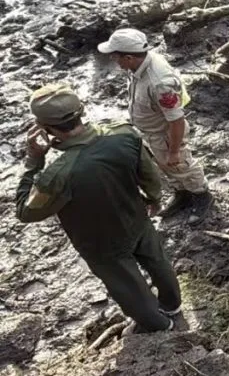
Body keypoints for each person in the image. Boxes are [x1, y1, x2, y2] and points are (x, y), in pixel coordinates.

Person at [15, 84, 181, 333]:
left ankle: (158, 326)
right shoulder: (123, 133)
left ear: (44, 128)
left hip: (100, 241)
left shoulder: (57, 174)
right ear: (80, 112)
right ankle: (173, 305)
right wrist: (154, 199)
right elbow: (149, 174)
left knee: (127, 286)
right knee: (158, 262)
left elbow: (25, 213)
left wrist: (33, 162)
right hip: (136, 216)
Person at [97, 29, 213, 221]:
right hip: (151, 132)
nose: (113, 59)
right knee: (165, 166)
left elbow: (176, 120)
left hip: (165, 134)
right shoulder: (137, 65)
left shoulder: (160, 83)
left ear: (128, 57)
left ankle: (202, 196)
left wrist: (174, 150)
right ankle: (182, 194)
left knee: (182, 165)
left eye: (115, 56)